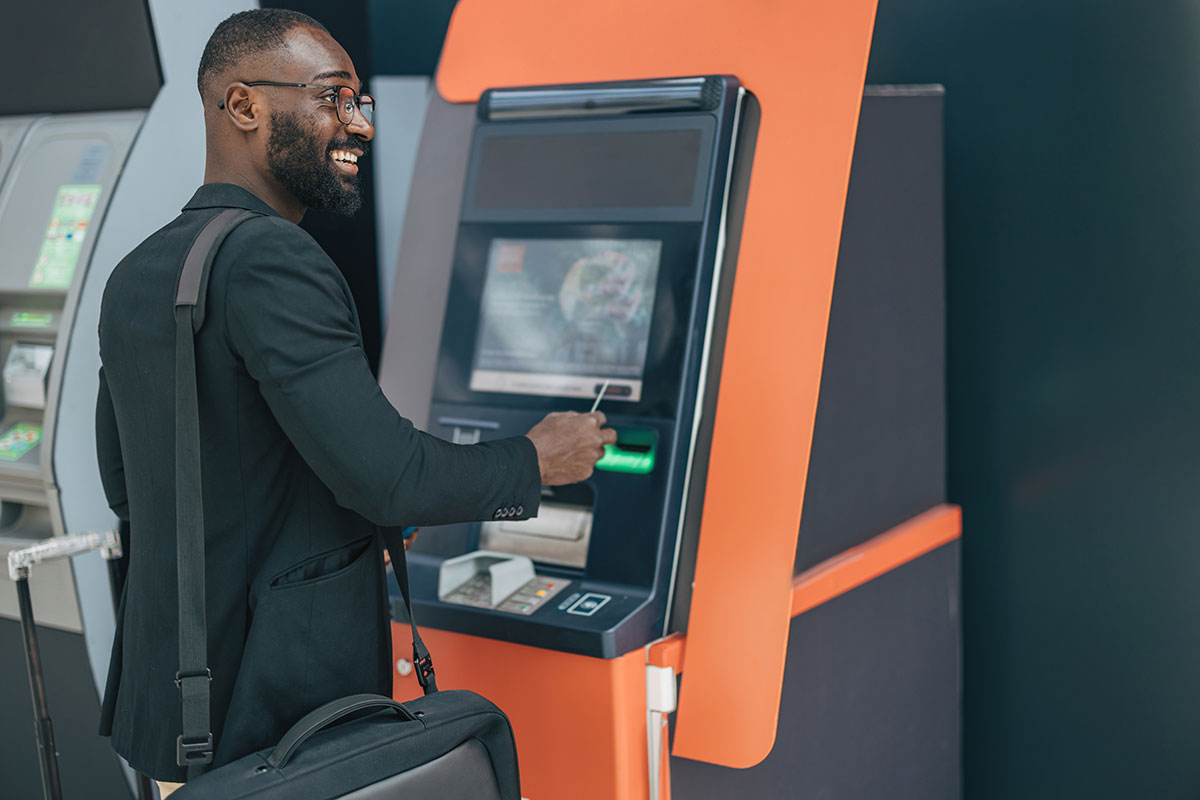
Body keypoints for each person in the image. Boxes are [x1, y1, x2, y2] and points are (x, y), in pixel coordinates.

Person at [94, 9, 615, 795]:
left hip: (173, 711)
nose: (360, 125)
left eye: (360, 101)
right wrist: (537, 460)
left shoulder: (139, 271)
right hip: (273, 719)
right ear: (243, 106)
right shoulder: (273, 258)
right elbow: (391, 479)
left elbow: (129, 484)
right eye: (333, 97)